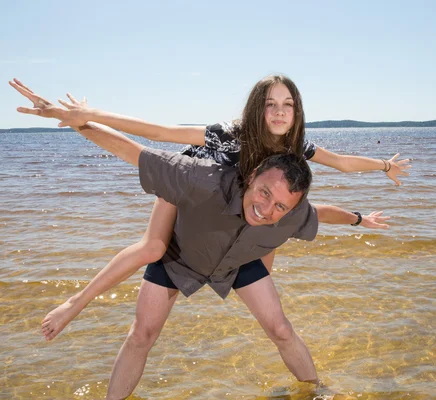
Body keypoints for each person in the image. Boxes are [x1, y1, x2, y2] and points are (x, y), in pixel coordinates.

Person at [11, 80, 397, 398]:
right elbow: (156, 134)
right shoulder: (230, 135)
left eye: (288, 105)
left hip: (243, 220)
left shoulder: (297, 150)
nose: (279, 112)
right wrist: (84, 116)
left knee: (273, 280)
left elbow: (342, 167)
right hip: (188, 190)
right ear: (255, 109)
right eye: (270, 104)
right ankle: (75, 303)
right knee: (154, 248)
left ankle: (315, 391)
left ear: (297, 112)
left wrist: (383, 167)